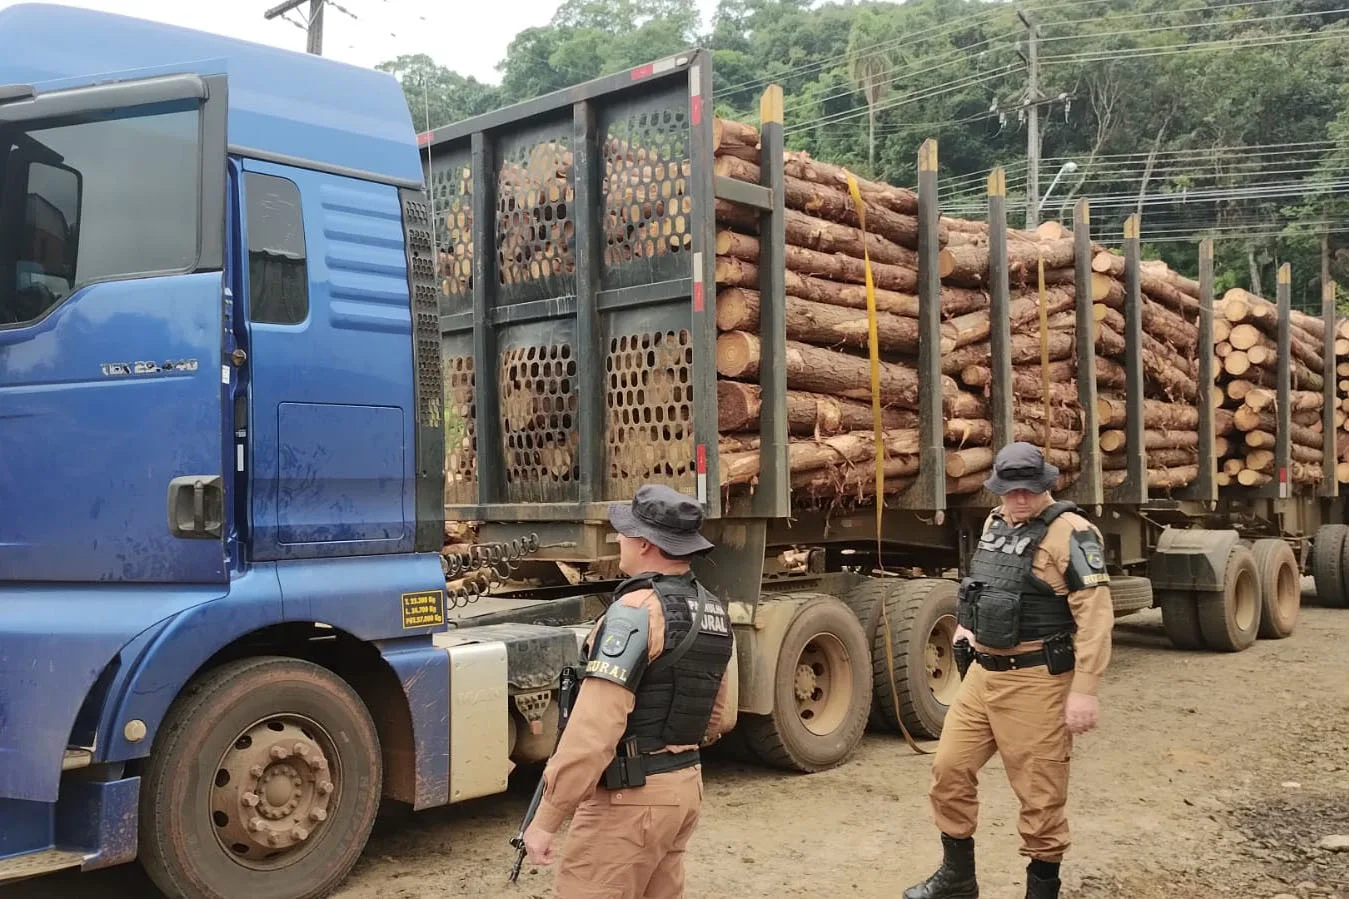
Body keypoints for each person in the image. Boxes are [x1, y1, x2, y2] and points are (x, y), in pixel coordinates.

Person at [903, 442, 1114, 899]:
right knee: (949, 769)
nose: (1019, 499)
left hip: (1037, 680)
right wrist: (967, 624)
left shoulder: (1073, 533)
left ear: (1045, 485)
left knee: (1040, 796)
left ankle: (1041, 891)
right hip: (983, 675)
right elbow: (986, 584)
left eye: (1028, 491)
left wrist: (1084, 691)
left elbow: (1096, 619)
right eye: (1010, 490)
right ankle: (958, 879)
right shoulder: (995, 523)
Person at [523, 483, 736, 898]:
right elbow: (714, 714)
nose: (617, 539)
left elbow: (594, 729)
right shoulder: (712, 609)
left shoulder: (635, 612)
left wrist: (546, 819)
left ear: (644, 544)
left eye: (624, 532)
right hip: (683, 787)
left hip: (628, 799)